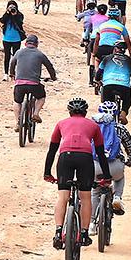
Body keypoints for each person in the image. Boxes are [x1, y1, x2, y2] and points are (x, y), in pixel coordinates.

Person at [43, 97, 113, 251]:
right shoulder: (93, 125)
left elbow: (52, 150)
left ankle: (58, 231)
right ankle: (83, 233)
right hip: (85, 158)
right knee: (85, 197)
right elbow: (101, 154)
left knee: (63, 197)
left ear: (69, 112)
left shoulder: (61, 123)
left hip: (65, 157)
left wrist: (47, 173)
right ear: (85, 112)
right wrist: (106, 176)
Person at [93, 98, 131, 220]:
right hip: (115, 165)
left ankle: (91, 224)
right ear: (116, 114)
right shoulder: (120, 128)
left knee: (94, 192)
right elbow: (130, 146)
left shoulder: (92, 128)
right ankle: (117, 197)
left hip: (95, 165)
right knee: (119, 178)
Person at [7, 34, 57, 129]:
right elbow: (49, 67)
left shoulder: (19, 52)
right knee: (41, 97)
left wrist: (12, 74)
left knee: (17, 101)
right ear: (37, 44)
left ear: (25, 43)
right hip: (34, 84)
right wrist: (53, 77)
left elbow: (12, 63)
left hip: (20, 84)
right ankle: (36, 113)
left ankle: (17, 122)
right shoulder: (40, 54)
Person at [97, 40, 131, 118]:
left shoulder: (106, 58)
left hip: (108, 85)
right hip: (124, 86)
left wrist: (98, 80)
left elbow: (99, 72)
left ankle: (107, 116)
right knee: (128, 99)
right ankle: (123, 113)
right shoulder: (130, 61)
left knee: (106, 103)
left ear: (115, 49)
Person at [90, 7, 131, 87]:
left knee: (97, 60)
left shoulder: (102, 26)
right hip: (114, 49)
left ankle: (97, 76)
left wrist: (95, 52)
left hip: (102, 48)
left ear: (108, 16)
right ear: (118, 17)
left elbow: (96, 41)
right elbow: (128, 42)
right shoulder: (121, 27)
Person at [0, 1, 25, 73]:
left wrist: (15, 15)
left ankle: (13, 73)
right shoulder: (6, 15)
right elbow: (2, 20)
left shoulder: (19, 15)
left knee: (15, 57)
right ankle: (6, 73)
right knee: (7, 56)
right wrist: (7, 13)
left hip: (16, 39)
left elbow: (20, 22)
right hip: (6, 39)